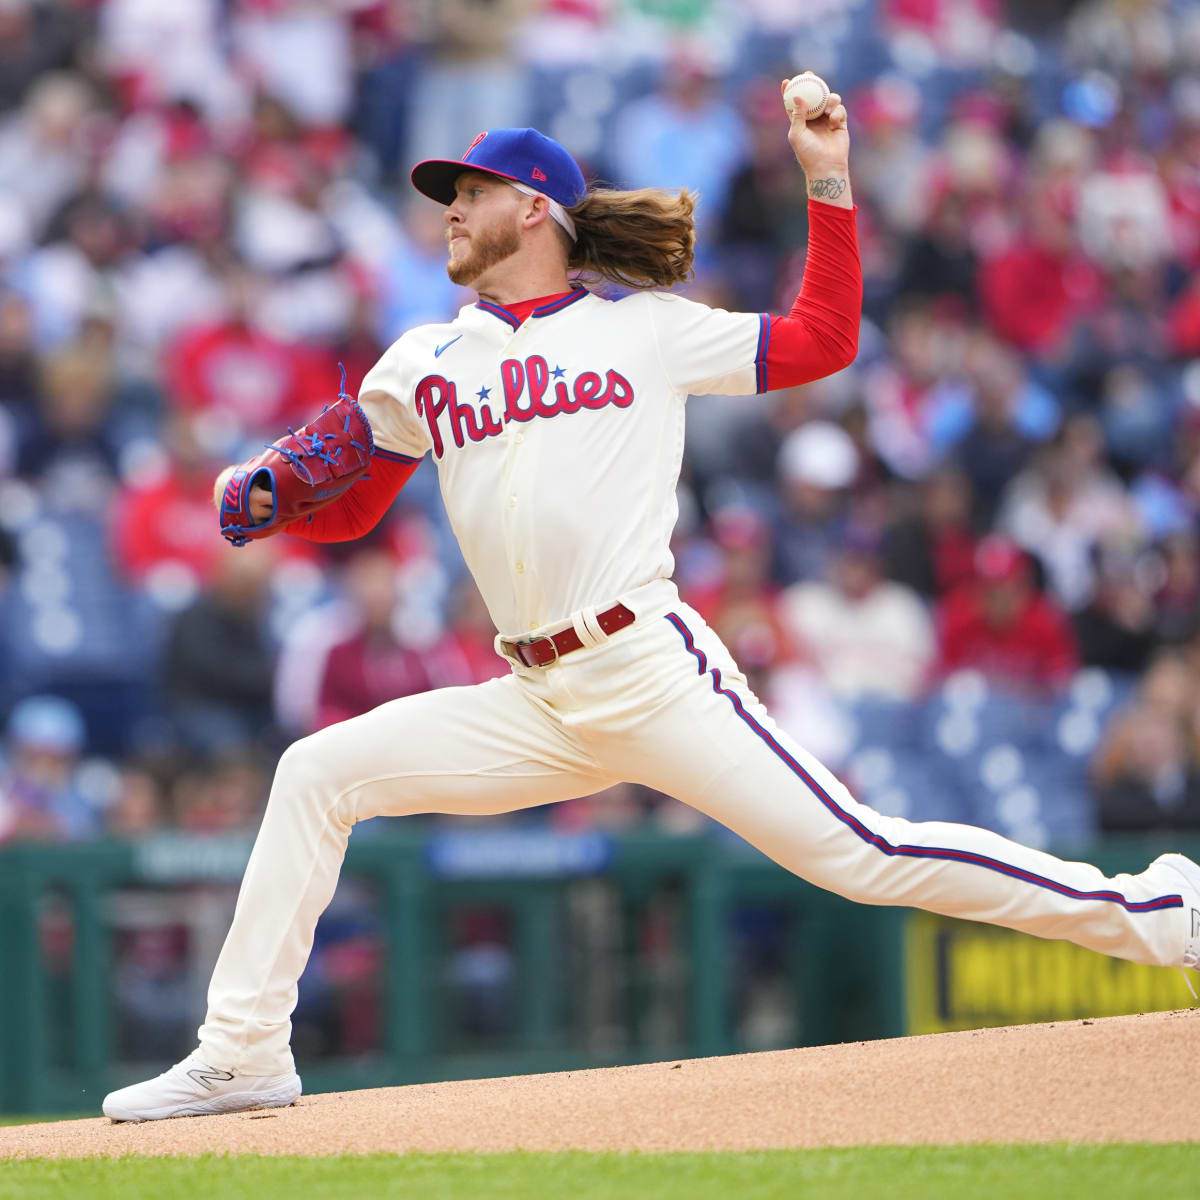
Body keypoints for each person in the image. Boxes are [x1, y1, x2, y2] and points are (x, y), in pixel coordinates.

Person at [103, 91, 1200, 1123]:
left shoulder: (646, 330)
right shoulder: (426, 358)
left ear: (531, 208)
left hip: (648, 668)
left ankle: (1162, 914)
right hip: (532, 696)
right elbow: (353, 516)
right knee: (316, 774)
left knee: (869, 855)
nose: (449, 210)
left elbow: (824, 338)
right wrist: (272, 498)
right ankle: (245, 1047)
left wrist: (826, 179)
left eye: (471, 192)